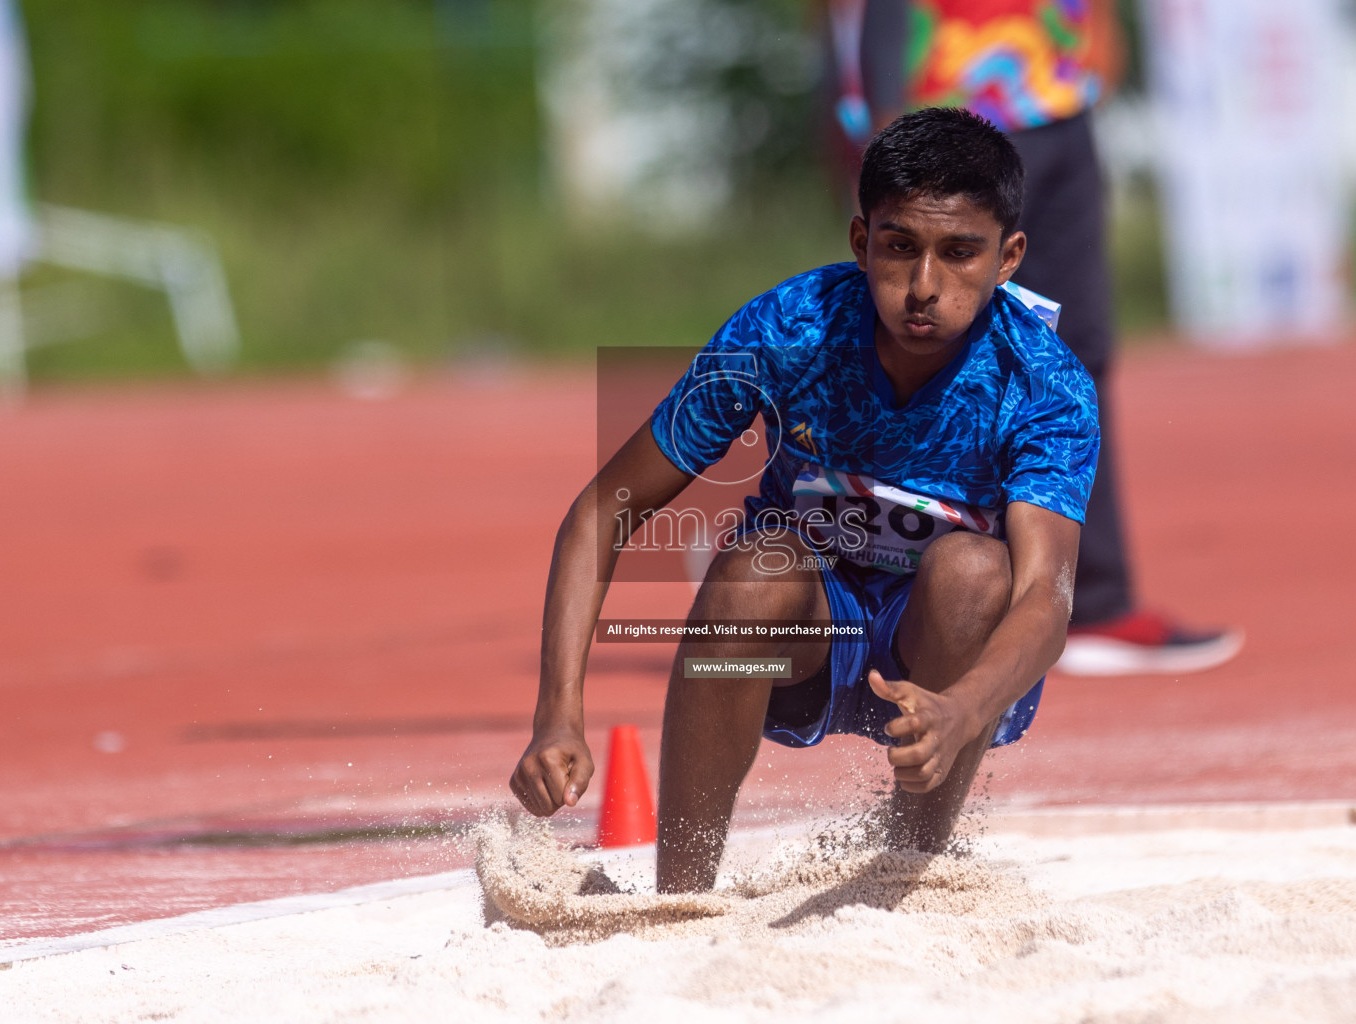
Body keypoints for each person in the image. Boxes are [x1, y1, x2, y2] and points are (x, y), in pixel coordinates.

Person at [512, 108, 1097, 892]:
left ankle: (909, 874)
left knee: (975, 573)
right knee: (753, 569)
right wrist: (557, 712)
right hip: (803, 634)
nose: (924, 287)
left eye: (959, 255)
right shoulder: (786, 331)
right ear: (861, 243)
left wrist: (961, 709)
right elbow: (603, 509)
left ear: (1007, 258)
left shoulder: (1046, 384)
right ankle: (682, 897)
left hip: (951, 656)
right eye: (900, 249)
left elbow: (1045, 599)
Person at [829, 0, 1243, 675]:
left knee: (1075, 354)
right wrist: (882, 115)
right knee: (931, 346)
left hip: (1057, 100)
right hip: (953, 112)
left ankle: (1092, 604)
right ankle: (874, 602)